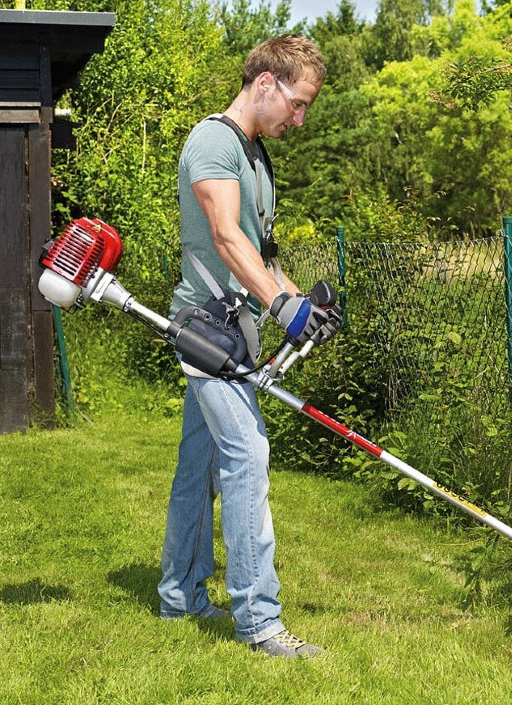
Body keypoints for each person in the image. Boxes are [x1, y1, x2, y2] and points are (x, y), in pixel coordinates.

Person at [157, 35, 337, 659]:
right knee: (248, 455)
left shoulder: (255, 155)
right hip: (207, 331)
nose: (300, 118)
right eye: (297, 102)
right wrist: (280, 307)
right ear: (265, 83)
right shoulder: (214, 141)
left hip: (237, 330)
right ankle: (259, 620)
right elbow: (226, 237)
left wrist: (301, 304)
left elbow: (261, 254)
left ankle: (179, 595)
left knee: (199, 465)